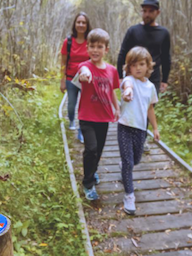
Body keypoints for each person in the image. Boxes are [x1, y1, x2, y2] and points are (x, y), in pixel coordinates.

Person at [117, 0, 171, 152]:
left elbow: (166, 57)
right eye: (145, 11)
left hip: (153, 77)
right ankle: (127, 137)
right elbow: (122, 52)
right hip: (132, 77)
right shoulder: (133, 31)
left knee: (147, 108)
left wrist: (165, 80)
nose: (147, 14)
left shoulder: (163, 33)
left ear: (157, 13)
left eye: (151, 11)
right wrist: (119, 76)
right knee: (132, 105)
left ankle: (141, 138)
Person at [75, 28, 120, 200]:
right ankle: (88, 183)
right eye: (92, 46)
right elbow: (83, 72)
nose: (95, 50)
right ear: (87, 48)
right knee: (91, 149)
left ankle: (93, 171)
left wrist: (116, 108)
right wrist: (85, 75)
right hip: (86, 116)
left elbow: (112, 92)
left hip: (103, 117)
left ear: (106, 49)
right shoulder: (85, 66)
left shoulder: (111, 70)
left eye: (99, 47)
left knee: (99, 150)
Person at [117, 46, 160, 215]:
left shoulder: (150, 87)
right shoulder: (129, 80)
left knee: (135, 159)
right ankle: (129, 195)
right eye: (134, 65)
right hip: (125, 126)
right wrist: (127, 91)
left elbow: (150, 109)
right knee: (128, 163)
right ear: (129, 67)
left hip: (141, 129)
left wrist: (155, 128)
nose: (138, 68)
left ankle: (124, 166)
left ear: (148, 66)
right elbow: (127, 86)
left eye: (142, 64)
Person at [60, 12, 91, 143]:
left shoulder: (90, 42)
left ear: (87, 25)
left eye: (84, 22)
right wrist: (62, 80)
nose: (81, 25)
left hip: (86, 79)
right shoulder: (68, 42)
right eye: (79, 22)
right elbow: (63, 62)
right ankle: (72, 119)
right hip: (71, 78)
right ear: (75, 24)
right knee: (71, 105)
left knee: (85, 107)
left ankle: (81, 131)